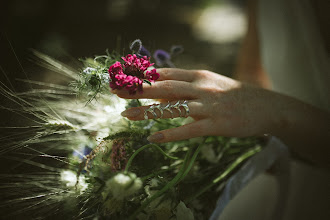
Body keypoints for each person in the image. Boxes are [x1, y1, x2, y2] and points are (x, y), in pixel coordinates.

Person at [113, 0, 330, 219]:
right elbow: (252, 70)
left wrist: (275, 112)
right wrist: (250, 125)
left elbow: (264, 104)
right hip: (278, 168)